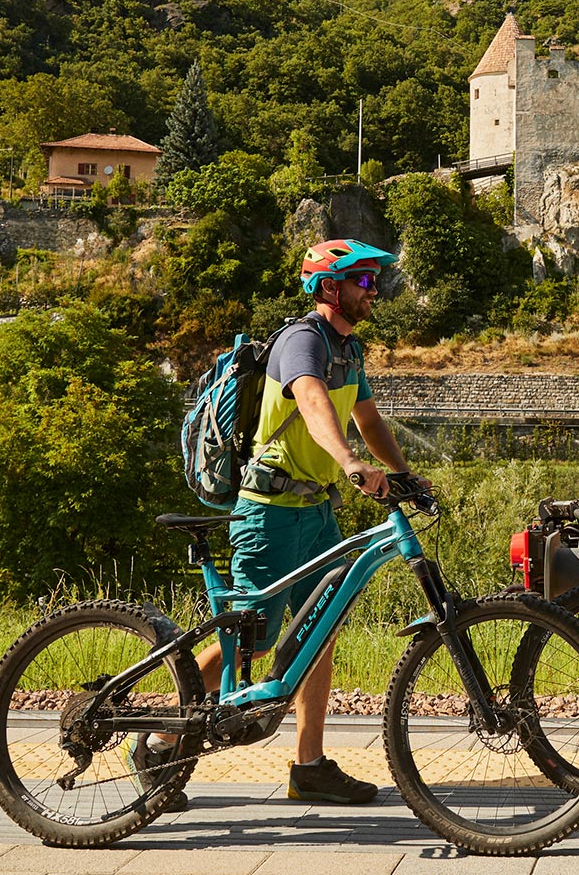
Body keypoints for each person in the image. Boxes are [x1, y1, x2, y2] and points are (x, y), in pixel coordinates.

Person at [132, 238, 419, 808]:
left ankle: (308, 766)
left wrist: (404, 473)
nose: (373, 291)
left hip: (316, 510)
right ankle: (160, 740)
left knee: (320, 630)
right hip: (268, 511)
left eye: (373, 281)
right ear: (329, 287)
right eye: (363, 281)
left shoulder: (349, 350)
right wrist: (349, 463)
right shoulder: (301, 341)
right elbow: (312, 403)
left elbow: (369, 419)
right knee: (251, 640)